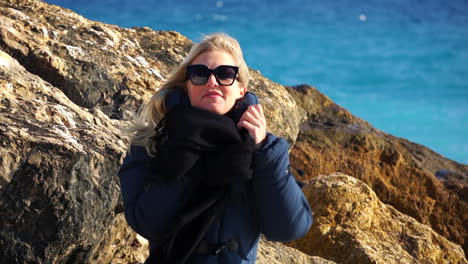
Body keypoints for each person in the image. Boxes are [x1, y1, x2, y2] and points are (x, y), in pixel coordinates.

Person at [118, 33, 312, 264]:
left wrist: (262, 151)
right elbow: (146, 223)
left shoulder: (263, 151)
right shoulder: (151, 142)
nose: (212, 82)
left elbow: (288, 229)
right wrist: (184, 156)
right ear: (187, 87)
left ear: (241, 89)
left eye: (225, 74)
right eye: (200, 74)